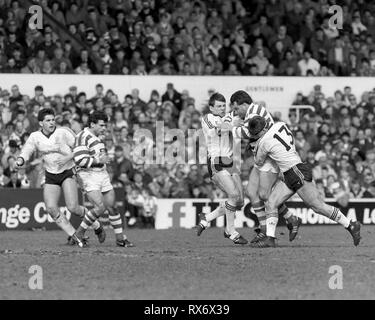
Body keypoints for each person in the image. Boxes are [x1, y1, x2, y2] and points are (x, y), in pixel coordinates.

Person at [247, 116, 361, 248]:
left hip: (296, 172)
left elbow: (259, 162)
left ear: (264, 129)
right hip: (292, 171)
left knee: (317, 206)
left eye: (257, 133)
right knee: (271, 202)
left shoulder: (264, 142)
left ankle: (351, 225)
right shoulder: (280, 124)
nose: (256, 136)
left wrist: (255, 148)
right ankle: (270, 238)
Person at [15, 108, 105, 248]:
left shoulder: (63, 131)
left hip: (67, 171)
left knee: (73, 207)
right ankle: (74, 235)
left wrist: (67, 158)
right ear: (41, 123)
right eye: (48, 120)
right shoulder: (35, 136)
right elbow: (27, 150)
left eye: (53, 119)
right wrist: (21, 160)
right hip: (51, 174)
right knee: (51, 208)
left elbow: (80, 147)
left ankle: (97, 226)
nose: (51, 122)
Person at [230, 90, 301, 243]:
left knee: (264, 195)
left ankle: (287, 221)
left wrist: (229, 128)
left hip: (269, 158)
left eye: (236, 109)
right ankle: (267, 227)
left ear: (244, 105)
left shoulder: (255, 111)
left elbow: (248, 132)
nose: (235, 112)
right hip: (261, 157)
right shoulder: (250, 113)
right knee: (251, 192)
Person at [73, 111, 134, 248]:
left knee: (113, 207)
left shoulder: (98, 136)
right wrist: (99, 160)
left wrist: (103, 161)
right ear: (92, 124)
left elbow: (99, 158)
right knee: (100, 207)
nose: (104, 128)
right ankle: (79, 233)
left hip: (102, 174)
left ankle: (120, 239)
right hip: (88, 175)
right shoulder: (83, 137)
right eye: (101, 125)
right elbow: (79, 160)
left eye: (105, 125)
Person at [195, 93, 247, 245]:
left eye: (224, 105)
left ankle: (207, 218)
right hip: (216, 161)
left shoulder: (229, 118)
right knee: (234, 194)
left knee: (239, 201)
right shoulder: (208, 118)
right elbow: (220, 129)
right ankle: (231, 231)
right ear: (211, 107)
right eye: (218, 106)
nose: (222, 108)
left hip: (230, 161)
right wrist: (235, 121)